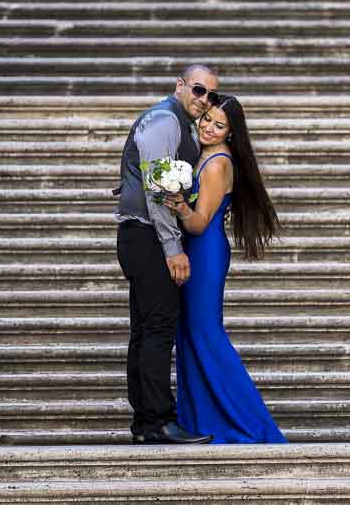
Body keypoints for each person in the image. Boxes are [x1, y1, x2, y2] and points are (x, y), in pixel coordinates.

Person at [164, 95, 287, 443]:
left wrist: (177, 205)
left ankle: (253, 423)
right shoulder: (202, 153)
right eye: (207, 120)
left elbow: (199, 223)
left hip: (204, 251)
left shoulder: (218, 163)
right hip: (200, 250)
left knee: (206, 335)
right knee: (188, 335)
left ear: (231, 134)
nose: (208, 128)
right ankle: (204, 422)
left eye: (219, 126)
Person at [114, 65, 219, 444]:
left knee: (145, 330)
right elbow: (158, 187)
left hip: (140, 235)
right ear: (180, 86)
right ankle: (158, 420)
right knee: (157, 328)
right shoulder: (165, 120)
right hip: (148, 237)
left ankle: (145, 423)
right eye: (198, 89)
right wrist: (173, 248)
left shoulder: (177, 121)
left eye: (210, 94)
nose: (203, 98)